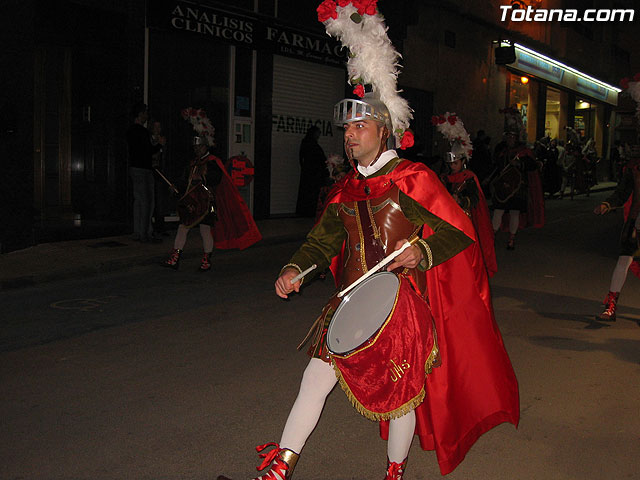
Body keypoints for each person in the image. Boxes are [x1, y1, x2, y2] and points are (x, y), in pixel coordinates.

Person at [593, 144, 640, 321]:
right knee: (624, 260)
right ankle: (611, 306)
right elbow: (621, 192)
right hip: (636, 222)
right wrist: (607, 204)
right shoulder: (634, 169)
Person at [163, 136, 221, 271]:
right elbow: (185, 180)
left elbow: (217, 178)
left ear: (205, 147)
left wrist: (202, 177)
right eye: (195, 147)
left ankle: (206, 260)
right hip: (193, 201)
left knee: (205, 230)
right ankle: (175, 258)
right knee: (183, 226)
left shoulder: (213, 162)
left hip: (207, 201)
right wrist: (175, 185)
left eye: (199, 147)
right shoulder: (193, 163)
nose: (197, 150)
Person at [441, 139, 498, 277]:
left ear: (463, 161)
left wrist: (460, 201)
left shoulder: (469, 178)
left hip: (466, 218)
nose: (453, 166)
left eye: (456, 163)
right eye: (451, 164)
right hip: (449, 217)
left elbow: (475, 199)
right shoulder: (445, 178)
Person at [491, 125, 544, 250]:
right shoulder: (502, 151)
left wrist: (520, 163)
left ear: (516, 138)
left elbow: (532, 166)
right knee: (498, 211)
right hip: (502, 187)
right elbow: (496, 167)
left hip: (517, 187)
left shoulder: (523, 151)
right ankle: (491, 237)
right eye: (508, 136)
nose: (510, 139)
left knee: (515, 212)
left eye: (512, 137)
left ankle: (511, 239)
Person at [126, 103, 164, 243]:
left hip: (134, 168)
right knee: (147, 201)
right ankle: (145, 233)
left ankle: (137, 231)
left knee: (138, 201)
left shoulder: (130, 131)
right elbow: (148, 151)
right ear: (140, 115)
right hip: (144, 169)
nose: (146, 116)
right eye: (145, 113)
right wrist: (160, 145)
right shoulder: (142, 132)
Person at [296, 126, 329, 217]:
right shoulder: (310, 144)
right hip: (312, 174)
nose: (318, 135)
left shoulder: (309, 143)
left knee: (309, 193)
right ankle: (308, 212)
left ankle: (307, 211)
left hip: (310, 173)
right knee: (310, 193)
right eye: (317, 133)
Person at [150, 120, 169, 236]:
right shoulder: (150, 140)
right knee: (153, 199)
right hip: (152, 171)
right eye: (155, 127)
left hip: (161, 172)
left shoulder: (162, 139)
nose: (157, 130)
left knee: (161, 200)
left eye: (159, 127)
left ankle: (160, 226)